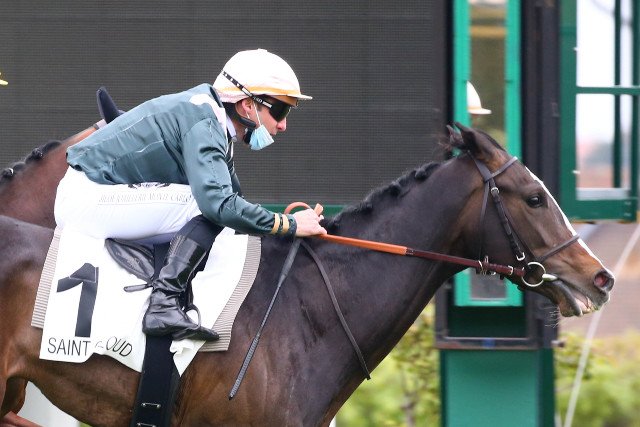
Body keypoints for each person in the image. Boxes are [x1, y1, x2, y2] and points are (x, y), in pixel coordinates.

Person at [54, 49, 327, 342]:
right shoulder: (205, 123)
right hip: (85, 197)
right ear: (247, 105)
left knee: (219, 215)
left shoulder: (212, 120)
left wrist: (285, 224)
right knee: (205, 206)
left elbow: (235, 201)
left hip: (96, 193)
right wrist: (289, 224)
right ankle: (163, 304)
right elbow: (220, 205)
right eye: (280, 111)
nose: (283, 125)